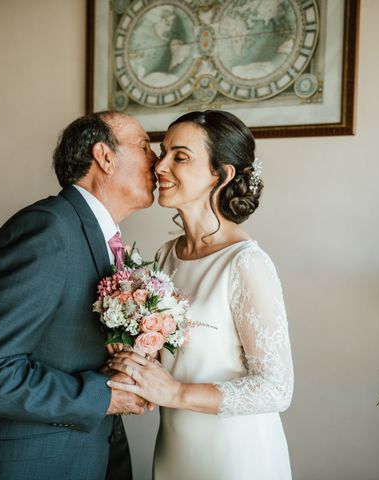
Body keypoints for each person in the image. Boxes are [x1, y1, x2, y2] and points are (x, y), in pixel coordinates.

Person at [0, 111, 158, 480]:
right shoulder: (48, 230)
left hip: (89, 453)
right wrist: (102, 397)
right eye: (145, 147)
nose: (157, 160)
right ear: (104, 156)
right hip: (31, 462)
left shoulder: (109, 243)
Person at [107, 110, 294, 479]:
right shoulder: (165, 255)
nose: (160, 166)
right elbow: (170, 355)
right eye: (163, 153)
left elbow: (276, 389)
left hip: (236, 456)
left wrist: (176, 393)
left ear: (220, 175)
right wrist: (132, 356)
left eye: (180, 156)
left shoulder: (246, 263)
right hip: (176, 449)